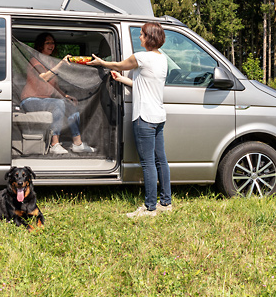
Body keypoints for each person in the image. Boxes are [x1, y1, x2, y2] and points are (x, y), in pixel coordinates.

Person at [88, 22, 171, 216]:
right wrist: (120, 79)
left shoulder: (142, 57)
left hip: (144, 117)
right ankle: (166, 203)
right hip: (158, 116)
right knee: (161, 161)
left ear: (149, 37)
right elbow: (142, 84)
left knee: (148, 163)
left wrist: (101, 63)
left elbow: (119, 64)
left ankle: (150, 207)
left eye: (142, 35)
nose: (140, 38)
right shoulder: (162, 59)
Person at [20, 32, 96, 155]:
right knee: (58, 104)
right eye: (47, 43)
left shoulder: (51, 63)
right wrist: (61, 64)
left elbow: (54, 86)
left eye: (53, 43)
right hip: (30, 100)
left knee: (70, 104)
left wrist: (65, 96)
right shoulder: (35, 60)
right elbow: (44, 77)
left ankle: (77, 143)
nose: (51, 45)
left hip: (45, 101)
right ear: (40, 46)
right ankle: (54, 144)